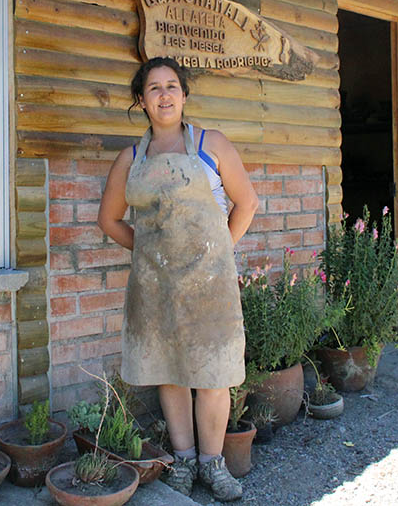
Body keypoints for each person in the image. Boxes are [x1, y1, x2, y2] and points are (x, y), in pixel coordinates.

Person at [97, 57, 258, 501]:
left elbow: (247, 203)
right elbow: (109, 220)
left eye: (172, 86)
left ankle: (213, 464)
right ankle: (184, 460)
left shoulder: (212, 145)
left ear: (184, 96)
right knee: (170, 373)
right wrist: (151, 256)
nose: (164, 95)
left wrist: (217, 251)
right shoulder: (131, 159)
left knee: (214, 375)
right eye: (154, 88)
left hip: (211, 288)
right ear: (142, 100)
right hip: (157, 290)